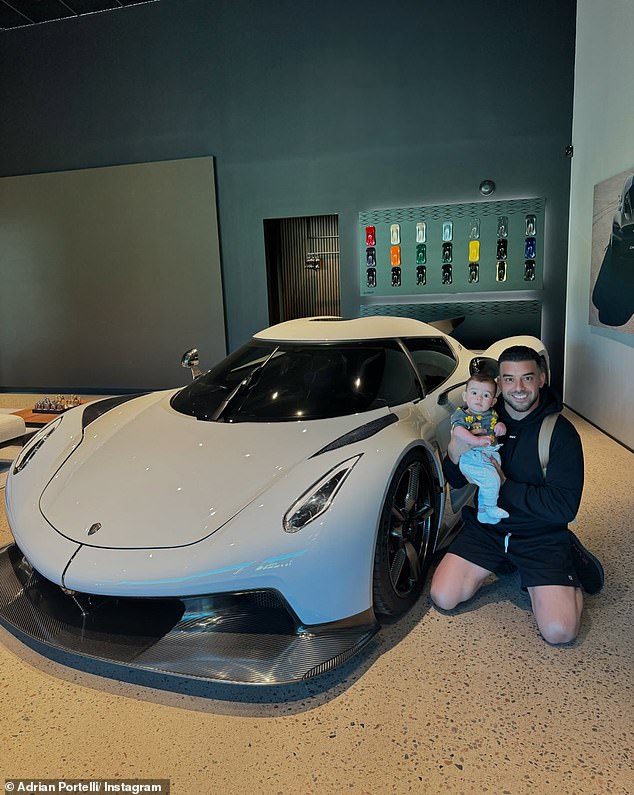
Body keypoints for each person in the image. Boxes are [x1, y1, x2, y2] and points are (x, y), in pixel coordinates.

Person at [430, 345, 604, 644]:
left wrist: (503, 483)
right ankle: (506, 560)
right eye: (509, 379)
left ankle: (567, 557)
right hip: (488, 529)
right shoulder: (480, 421)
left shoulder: (560, 433)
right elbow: (456, 480)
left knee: (559, 632)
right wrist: (454, 453)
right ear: (498, 384)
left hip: (541, 535)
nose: (518, 388)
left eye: (527, 378)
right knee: (443, 596)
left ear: (542, 379)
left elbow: (564, 508)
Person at [450, 373, 508, 524]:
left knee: (487, 485)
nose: (479, 398)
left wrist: (499, 426)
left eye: (486, 395)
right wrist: (476, 440)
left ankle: (483, 512)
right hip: (471, 456)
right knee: (492, 480)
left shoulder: (491, 414)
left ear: (493, 401)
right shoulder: (462, 414)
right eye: (474, 393)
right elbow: (458, 431)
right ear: (465, 396)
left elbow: (493, 424)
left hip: (488, 454)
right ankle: (491, 506)